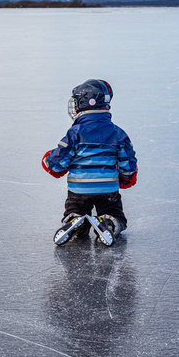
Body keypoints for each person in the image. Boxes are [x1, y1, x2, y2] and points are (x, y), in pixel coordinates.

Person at [42, 79, 138, 246]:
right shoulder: (118, 133)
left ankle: (76, 221)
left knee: (75, 209)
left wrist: (48, 160)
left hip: (79, 189)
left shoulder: (75, 133)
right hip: (108, 189)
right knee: (114, 214)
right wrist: (126, 177)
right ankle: (109, 223)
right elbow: (127, 163)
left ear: (85, 103)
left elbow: (57, 162)